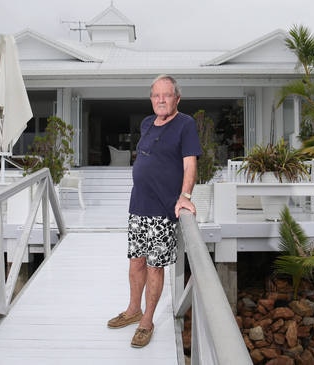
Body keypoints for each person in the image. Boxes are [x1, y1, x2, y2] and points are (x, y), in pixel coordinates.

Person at [107, 75, 202, 348]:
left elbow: (189, 165)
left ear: (177, 98)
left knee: (154, 266)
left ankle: (146, 320)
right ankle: (132, 309)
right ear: (151, 99)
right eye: (156, 95)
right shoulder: (147, 123)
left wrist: (185, 196)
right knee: (135, 260)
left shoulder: (185, 125)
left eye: (167, 95)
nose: (161, 100)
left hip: (162, 209)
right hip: (138, 203)